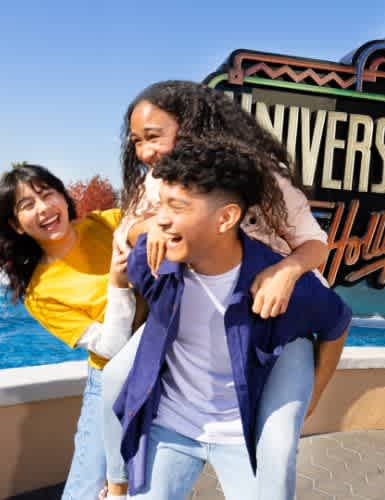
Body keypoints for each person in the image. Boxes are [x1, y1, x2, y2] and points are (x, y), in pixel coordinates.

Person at [100, 80, 334, 499]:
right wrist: (149, 224)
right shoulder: (159, 182)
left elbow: (316, 244)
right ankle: (117, 484)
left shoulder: (257, 177)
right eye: (136, 141)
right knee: (117, 377)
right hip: (198, 306)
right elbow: (126, 231)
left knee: (276, 450)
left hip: (275, 313)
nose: (143, 152)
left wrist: (286, 271)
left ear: (190, 127)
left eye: (153, 137)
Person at [0, 164, 142, 500]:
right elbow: (112, 347)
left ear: (63, 198)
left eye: (46, 194)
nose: (42, 208)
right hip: (111, 382)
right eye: (27, 205)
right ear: (16, 225)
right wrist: (118, 283)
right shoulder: (40, 291)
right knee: (87, 487)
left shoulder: (104, 223)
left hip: (166, 367)